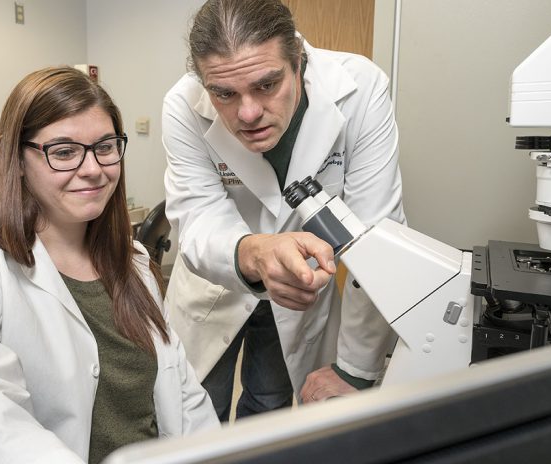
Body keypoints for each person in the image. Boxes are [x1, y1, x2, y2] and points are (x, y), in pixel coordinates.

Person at [0, 67, 218, 464]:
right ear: (18, 161)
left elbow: (184, 397)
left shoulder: (133, 265)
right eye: (63, 152)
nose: (93, 168)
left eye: (106, 146)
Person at [162, 0, 405, 422]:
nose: (248, 113)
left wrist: (357, 369)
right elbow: (198, 216)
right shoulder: (182, 105)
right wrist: (257, 253)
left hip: (296, 291)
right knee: (198, 414)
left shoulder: (360, 89)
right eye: (224, 93)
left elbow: (375, 236)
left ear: (299, 61)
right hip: (213, 284)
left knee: (268, 408)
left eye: (267, 85)